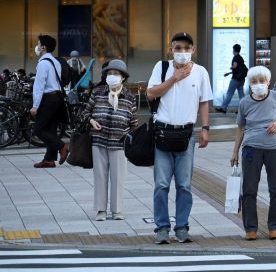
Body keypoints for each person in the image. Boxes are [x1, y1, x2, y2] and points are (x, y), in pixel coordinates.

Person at [147, 32, 213, 244]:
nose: (182, 52)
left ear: (193, 50)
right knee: (161, 184)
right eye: (178, 48)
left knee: (184, 184)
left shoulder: (201, 72)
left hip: (186, 133)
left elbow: (204, 102)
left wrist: (205, 128)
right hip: (163, 131)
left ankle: (182, 227)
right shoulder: (162, 67)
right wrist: (174, 78)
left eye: (186, 48)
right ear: (171, 49)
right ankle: (162, 228)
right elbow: (151, 93)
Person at [230, 66, 276, 240]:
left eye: (262, 81)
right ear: (249, 84)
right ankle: (250, 228)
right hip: (250, 149)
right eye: (254, 82)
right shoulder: (244, 103)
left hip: (275, 148)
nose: (258, 85)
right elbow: (240, 128)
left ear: (268, 82)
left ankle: (275, 226)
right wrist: (234, 152)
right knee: (249, 189)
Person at [87, 59, 138, 220]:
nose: (112, 76)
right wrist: (91, 121)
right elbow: (85, 113)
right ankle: (101, 210)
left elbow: (134, 123)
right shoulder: (97, 92)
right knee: (100, 176)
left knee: (118, 177)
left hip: (119, 142)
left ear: (123, 77)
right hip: (99, 140)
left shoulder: (129, 97)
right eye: (109, 73)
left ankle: (117, 210)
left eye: (115, 74)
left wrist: (129, 138)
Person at [29, 34, 69, 168]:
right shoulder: (55, 61)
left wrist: (35, 106)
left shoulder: (43, 63)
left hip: (48, 99)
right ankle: (49, 159)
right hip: (57, 98)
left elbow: (39, 85)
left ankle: (62, 146)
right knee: (51, 129)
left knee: (38, 129)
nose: (37, 46)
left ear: (43, 47)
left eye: (38, 44)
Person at [219, 43, 248, 113]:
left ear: (234, 50)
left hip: (235, 79)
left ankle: (223, 108)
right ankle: (242, 110)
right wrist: (229, 73)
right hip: (241, 79)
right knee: (241, 95)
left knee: (229, 93)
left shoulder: (235, 57)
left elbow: (235, 66)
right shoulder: (241, 58)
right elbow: (239, 69)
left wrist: (231, 67)